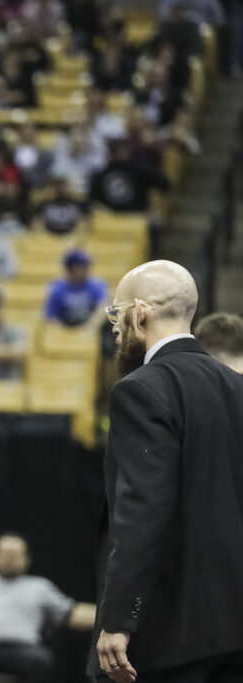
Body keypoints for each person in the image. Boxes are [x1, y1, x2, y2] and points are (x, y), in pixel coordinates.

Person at [92, 260, 243, 682]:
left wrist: (120, 617)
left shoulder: (141, 388)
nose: (114, 328)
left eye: (116, 313)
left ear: (140, 312)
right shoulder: (237, 388)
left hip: (168, 636)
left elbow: (143, 510)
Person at [0, 534, 96, 683]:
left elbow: (71, 614)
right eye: (4, 554)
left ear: (27, 558)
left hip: (24, 652)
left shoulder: (39, 587)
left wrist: (108, 618)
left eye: (14, 555)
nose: (9, 558)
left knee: (41, 660)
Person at [44, 250, 109, 327]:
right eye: (83, 266)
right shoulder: (58, 289)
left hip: (90, 329)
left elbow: (103, 307)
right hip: (65, 330)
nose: (87, 269)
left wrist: (90, 328)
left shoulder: (96, 285)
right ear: (71, 269)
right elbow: (51, 317)